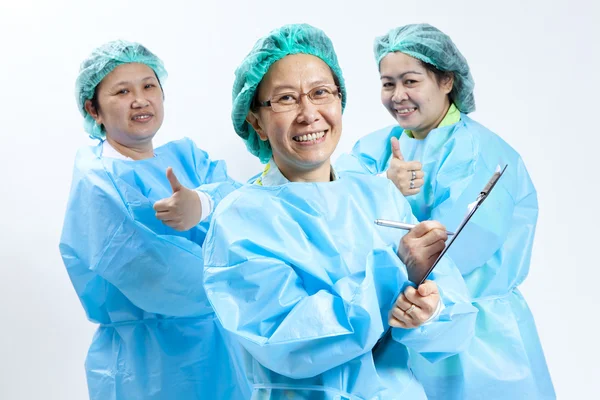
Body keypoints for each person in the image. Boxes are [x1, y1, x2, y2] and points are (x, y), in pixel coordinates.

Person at [202, 23, 478, 399]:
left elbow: (454, 312)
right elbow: (287, 338)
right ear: (256, 122)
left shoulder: (378, 193)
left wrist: (428, 311)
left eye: (320, 93)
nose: (309, 113)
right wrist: (394, 274)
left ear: (340, 101)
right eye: (285, 99)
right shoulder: (241, 220)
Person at [335, 24, 555, 399]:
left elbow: (444, 255)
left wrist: (382, 205)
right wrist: (382, 186)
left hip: (477, 344)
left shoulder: (480, 155)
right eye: (388, 84)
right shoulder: (374, 150)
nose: (398, 96)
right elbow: (331, 214)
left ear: (446, 81)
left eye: (410, 81)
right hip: (403, 330)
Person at [59, 40, 249, 400]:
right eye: (122, 91)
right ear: (93, 108)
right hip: (148, 366)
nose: (140, 100)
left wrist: (204, 203)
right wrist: (248, 282)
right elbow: (157, 274)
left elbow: (245, 204)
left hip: (222, 350)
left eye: (149, 86)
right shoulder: (96, 177)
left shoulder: (187, 156)